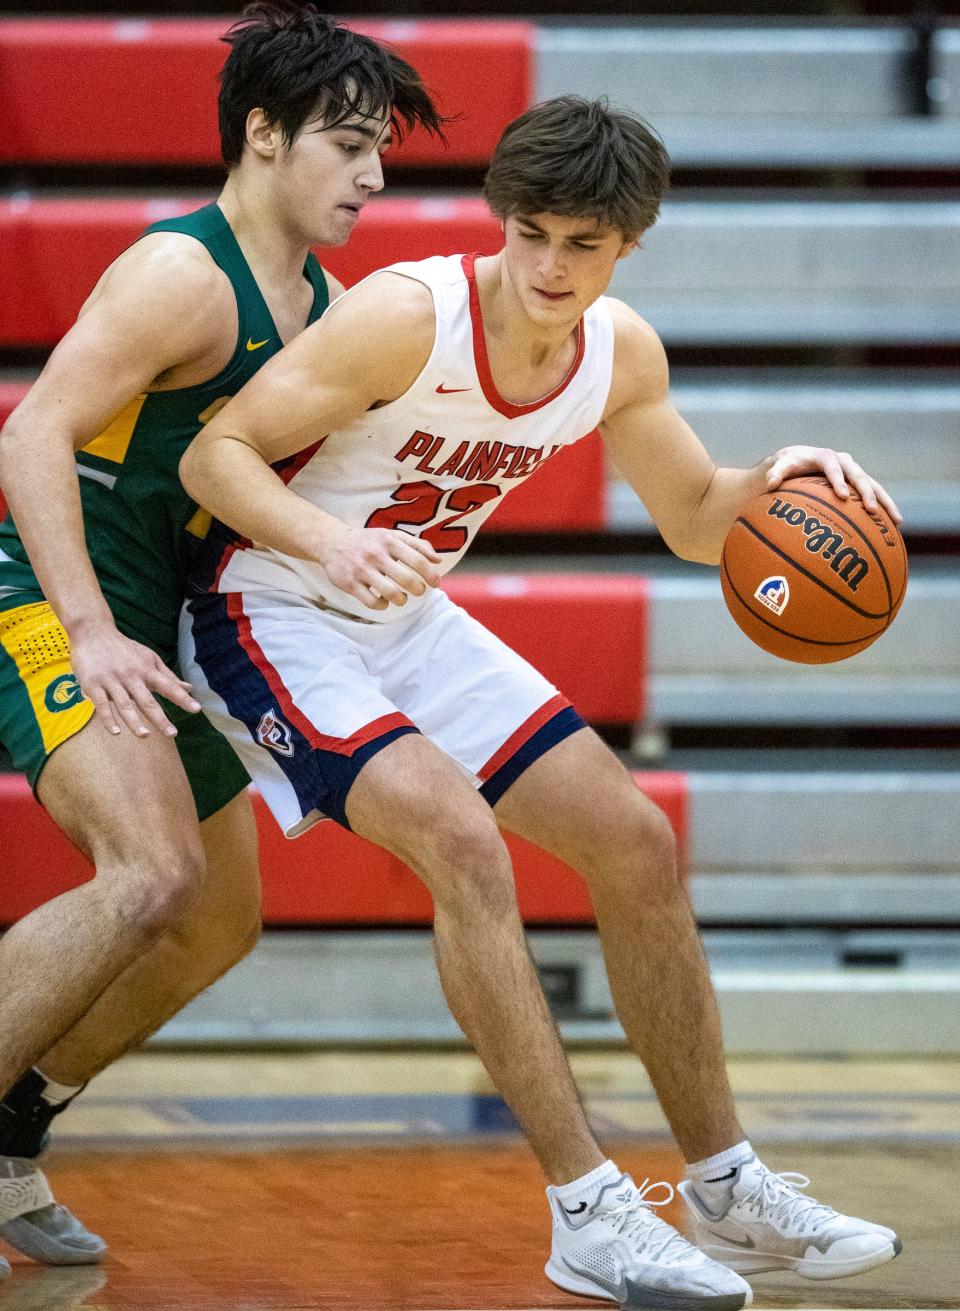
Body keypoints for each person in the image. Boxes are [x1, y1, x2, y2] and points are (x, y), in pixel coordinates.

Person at [178, 95, 903, 1310]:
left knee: (634, 841)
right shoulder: (406, 318)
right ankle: (587, 1213)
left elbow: (689, 518)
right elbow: (217, 455)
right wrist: (326, 543)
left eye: (584, 244)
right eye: (533, 234)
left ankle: (725, 1185)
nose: (552, 266)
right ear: (501, 220)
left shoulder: (622, 351)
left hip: (403, 621)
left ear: (629, 245)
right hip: (266, 605)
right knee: (462, 840)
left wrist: (779, 482)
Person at [0, 2, 442, 1277]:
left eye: (380, 151)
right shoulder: (179, 275)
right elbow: (29, 434)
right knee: (151, 876)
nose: (371, 173)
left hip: (166, 609)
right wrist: (88, 630)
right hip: (56, 584)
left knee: (215, 924)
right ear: (262, 132)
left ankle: (15, 1127)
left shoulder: (327, 303)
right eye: (348, 143)